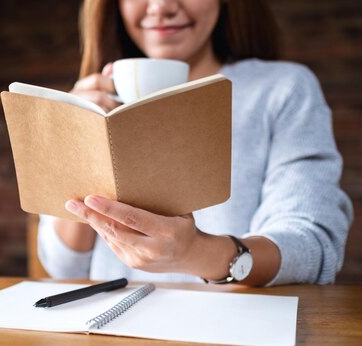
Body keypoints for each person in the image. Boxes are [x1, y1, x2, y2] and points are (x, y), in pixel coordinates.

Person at [37, 0, 353, 286]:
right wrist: (78, 144)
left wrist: (197, 253)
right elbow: (63, 268)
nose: (160, 7)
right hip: (113, 329)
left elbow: (313, 249)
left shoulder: (282, 89)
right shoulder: (97, 101)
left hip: (235, 334)